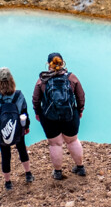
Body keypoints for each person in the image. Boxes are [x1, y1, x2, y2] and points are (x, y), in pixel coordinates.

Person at [33, 52, 86, 180]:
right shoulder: (71, 77)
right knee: (72, 141)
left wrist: (37, 113)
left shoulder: (42, 80)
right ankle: (80, 168)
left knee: (55, 144)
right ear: (63, 62)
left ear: (48, 64)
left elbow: (36, 99)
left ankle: (57, 172)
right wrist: (79, 110)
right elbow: (80, 96)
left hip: (49, 118)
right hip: (70, 115)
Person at [0, 67, 33, 190]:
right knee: (22, 149)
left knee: (5, 154)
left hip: (2, 130)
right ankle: (28, 174)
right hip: (18, 127)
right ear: (11, 79)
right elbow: (24, 112)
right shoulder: (18, 95)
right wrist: (26, 126)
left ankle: (8, 182)